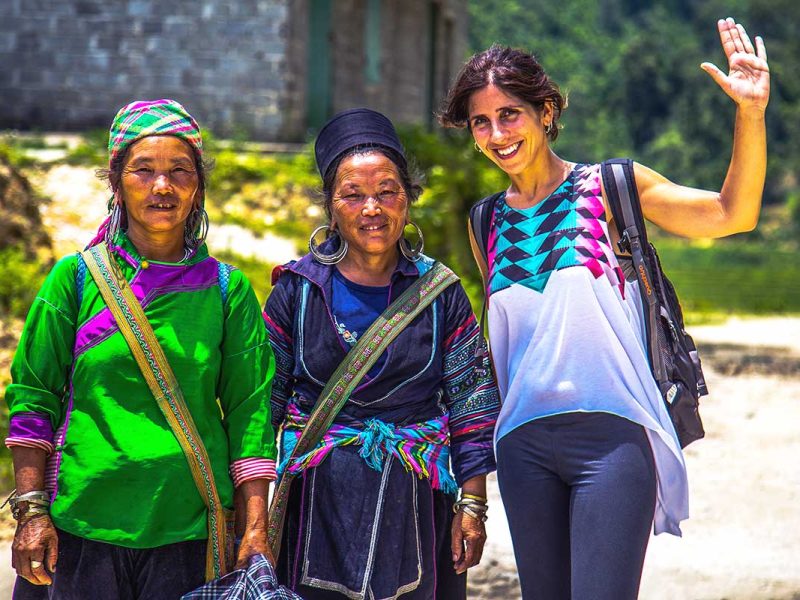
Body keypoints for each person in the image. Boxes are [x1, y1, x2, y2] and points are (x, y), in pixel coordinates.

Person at [438, 17, 769, 600]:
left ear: (545, 111)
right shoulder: (484, 221)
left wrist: (749, 113)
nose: (496, 133)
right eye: (480, 123)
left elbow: (731, 213)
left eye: (509, 114)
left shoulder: (609, 187)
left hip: (612, 438)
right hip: (521, 444)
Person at [4, 99, 278, 599]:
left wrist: (255, 528)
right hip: (80, 528)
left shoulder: (226, 290)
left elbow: (250, 415)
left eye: (179, 171)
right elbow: (32, 397)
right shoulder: (75, 279)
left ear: (198, 188)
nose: (162, 186)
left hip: (190, 531)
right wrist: (31, 510)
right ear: (116, 183)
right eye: (143, 170)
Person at [263, 108, 501, 599]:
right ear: (331, 206)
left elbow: (472, 402)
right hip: (315, 506)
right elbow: (261, 406)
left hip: (415, 505)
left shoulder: (440, 293)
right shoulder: (296, 291)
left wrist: (472, 506)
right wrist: (250, 518)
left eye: (387, 191)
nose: (372, 208)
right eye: (353, 195)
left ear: (407, 200)